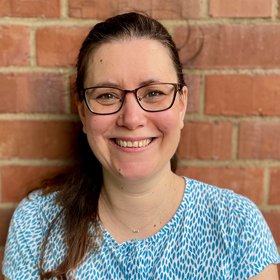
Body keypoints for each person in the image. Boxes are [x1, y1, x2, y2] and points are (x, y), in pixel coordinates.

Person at [2, 12, 280, 280]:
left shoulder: (236, 224)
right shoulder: (38, 224)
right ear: (83, 112)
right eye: (107, 95)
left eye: (154, 93)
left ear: (182, 104)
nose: (132, 119)